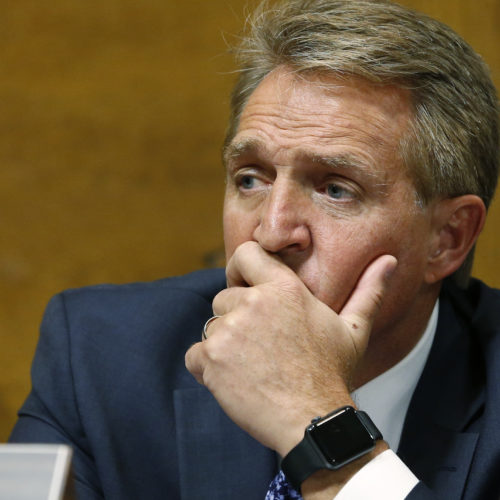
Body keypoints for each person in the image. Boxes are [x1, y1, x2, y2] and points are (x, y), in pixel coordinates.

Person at [9, 0, 500, 498]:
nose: (271, 232)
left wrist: (316, 419)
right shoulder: (101, 356)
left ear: (448, 238)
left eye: (335, 188)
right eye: (250, 179)